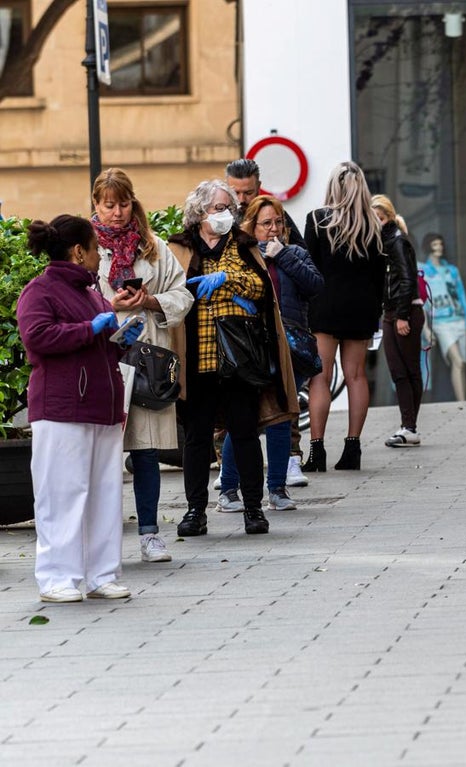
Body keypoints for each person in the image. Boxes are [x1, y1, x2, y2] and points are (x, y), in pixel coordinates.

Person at [17, 215, 143, 602]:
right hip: (61, 408)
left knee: (104, 493)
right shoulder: (39, 292)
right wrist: (88, 329)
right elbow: (37, 337)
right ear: (78, 251)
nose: (99, 256)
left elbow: (97, 343)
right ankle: (57, 577)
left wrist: (120, 339)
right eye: (95, 250)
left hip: (101, 406)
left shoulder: (92, 293)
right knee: (62, 493)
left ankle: (100, 574)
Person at [166, 180, 298, 537]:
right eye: (218, 208)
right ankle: (195, 511)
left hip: (239, 359)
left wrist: (227, 279)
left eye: (228, 208)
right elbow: (169, 292)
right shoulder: (178, 248)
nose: (226, 214)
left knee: (244, 433)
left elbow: (260, 286)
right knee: (196, 438)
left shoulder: (242, 245)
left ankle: (254, 509)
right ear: (199, 212)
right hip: (197, 359)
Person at [91, 168, 193, 564]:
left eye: (123, 203)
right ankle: (102, 539)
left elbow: (182, 294)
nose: (117, 212)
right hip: (104, 357)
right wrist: (111, 305)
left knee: (147, 449)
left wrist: (151, 301)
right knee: (103, 451)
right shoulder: (86, 247)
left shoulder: (153, 246)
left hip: (148, 357)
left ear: (133, 202)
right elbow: (75, 297)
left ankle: (150, 533)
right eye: (108, 204)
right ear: (96, 205)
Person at [216, 195, 323, 512]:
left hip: (290, 348)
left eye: (278, 222)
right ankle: (230, 490)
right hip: (251, 347)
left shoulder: (296, 253)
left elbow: (316, 285)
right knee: (245, 419)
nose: (274, 228)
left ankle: (277, 489)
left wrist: (284, 255)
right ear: (251, 226)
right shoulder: (239, 255)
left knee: (280, 416)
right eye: (266, 223)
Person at [303, 161, 388, 472]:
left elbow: (308, 266)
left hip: (324, 307)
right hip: (362, 308)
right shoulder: (373, 226)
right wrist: (376, 311)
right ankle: (353, 448)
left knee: (320, 377)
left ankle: (317, 450)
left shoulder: (318, 219)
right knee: (356, 376)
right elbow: (380, 276)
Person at [373, 195, 425, 447]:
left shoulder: (396, 241)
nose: (375, 223)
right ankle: (408, 426)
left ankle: (410, 427)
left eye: (379, 218)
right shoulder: (384, 243)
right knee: (398, 371)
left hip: (404, 312)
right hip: (392, 312)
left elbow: (407, 279)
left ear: (388, 218)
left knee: (408, 370)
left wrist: (402, 315)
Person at [420, 233, 466, 402]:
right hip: (441, 322)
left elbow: (462, 296)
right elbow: (422, 302)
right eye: (435, 245)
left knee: (461, 364)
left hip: (458, 319)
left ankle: (462, 401)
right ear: (428, 247)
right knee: (458, 361)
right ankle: (462, 403)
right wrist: (425, 329)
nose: (439, 248)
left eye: (440, 244)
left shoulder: (452, 271)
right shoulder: (424, 271)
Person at [225, 158, 306, 248]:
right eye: (235, 193)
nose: (241, 200)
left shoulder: (274, 213)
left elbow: (302, 252)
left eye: (248, 193)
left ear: (258, 186)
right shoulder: (217, 217)